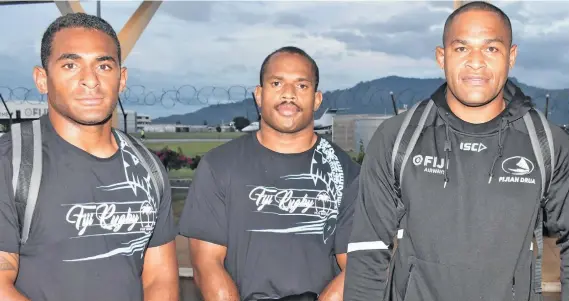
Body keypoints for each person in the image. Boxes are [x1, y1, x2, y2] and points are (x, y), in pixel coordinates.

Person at [343, 2, 569, 301]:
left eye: (491, 49)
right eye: (462, 48)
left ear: (512, 56)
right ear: (442, 57)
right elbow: (368, 248)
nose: (476, 62)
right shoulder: (398, 137)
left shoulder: (546, 142)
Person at [0, 13, 179, 301]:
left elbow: (160, 279)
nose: (90, 81)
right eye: (70, 65)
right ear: (42, 79)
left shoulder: (148, 168)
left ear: (121, 79)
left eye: (104, 65)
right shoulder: (12, 162)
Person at [178, 46, 360, 301]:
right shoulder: (219, 166)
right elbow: (206, 265)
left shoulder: (348, 173)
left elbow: (355, 268)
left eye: (302, 86)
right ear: (259, 95)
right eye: (277, 83)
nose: (288, 94)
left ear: (317, 99)